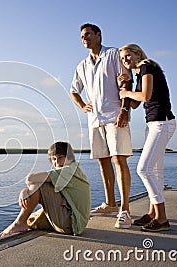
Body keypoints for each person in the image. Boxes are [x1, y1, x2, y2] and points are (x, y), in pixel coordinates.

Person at [70, 23, 133, 229]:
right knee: (103, 161)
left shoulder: (114, 54)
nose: (84, 38)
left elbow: (126, 82)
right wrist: (81, 105)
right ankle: (110, 204)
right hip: (95, 119)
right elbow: (73, 90)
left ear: (98, 35)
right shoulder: (81, 65)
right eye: (81, 36)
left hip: (115, 115)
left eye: (88, 34)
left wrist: (125, 110)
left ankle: (125, 210)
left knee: (119, 159)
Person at [118, 44, 176, 232]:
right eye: (123, 58)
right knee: (156, 172)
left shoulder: (147, 67)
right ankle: (152, 214)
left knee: (144, 169)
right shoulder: (139, 74)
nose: (125, 60)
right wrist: (123, 85)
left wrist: (126, 93)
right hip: (153, 124)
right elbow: (135, 104)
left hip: (162, 123)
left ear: (137, 54)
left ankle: (162, 218)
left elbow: (146, 95)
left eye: (128, 56)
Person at [0, 141, 91, 237]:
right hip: (72, 222)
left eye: (60, 157)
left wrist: (24, 192)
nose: (57, 162)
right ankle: (23, 222)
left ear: (69, 158)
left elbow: (30, 178)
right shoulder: (73, 170)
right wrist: (24, 191)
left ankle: (19, 223)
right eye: (54, 159)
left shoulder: (69, 171)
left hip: (71, 223)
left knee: (41, 183)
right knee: (30, 220)